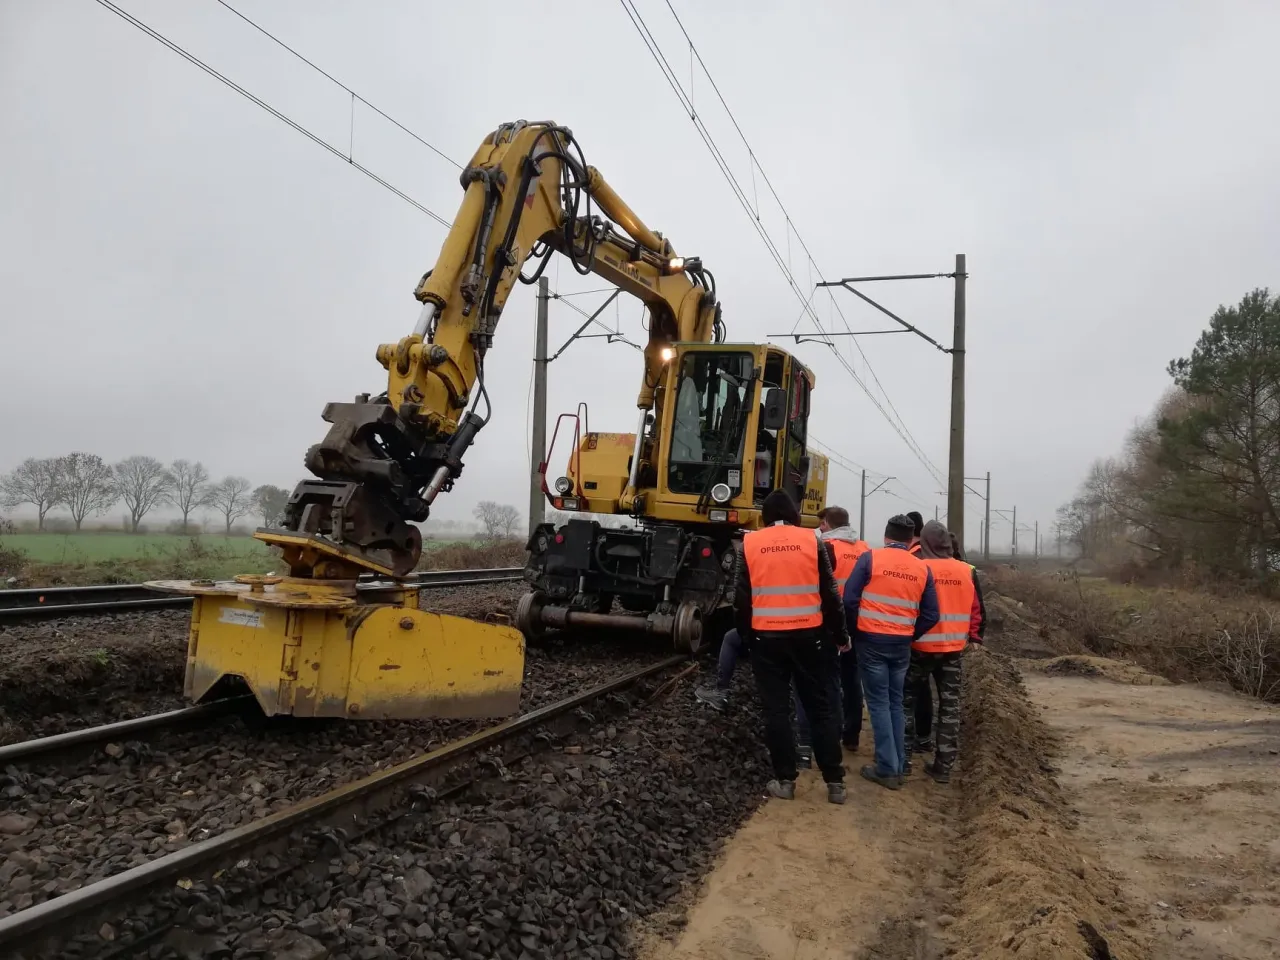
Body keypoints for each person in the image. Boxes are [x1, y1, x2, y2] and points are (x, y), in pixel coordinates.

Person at [736, 489, 850, 803]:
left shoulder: (750, 543)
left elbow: (741, 601)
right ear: (795, 514)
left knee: (776, 711)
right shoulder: (813, 541)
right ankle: (835, 783)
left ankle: (785, 781)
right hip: (810, 639)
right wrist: (840, 636)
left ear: (765, 516)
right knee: (820, 708)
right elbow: (831, 595)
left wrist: (746, 640)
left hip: (766, 641)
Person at [843, 514, 938, 790]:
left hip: (871, 641)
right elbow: (932, 613)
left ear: (886, 537)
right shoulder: (922, 568)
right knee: (895, 702)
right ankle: (896, 764)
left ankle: (887, 768)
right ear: (911, 541)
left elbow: (849, 599)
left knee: (879, 704)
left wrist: (854, 631)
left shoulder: (870, 559)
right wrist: (911, 633)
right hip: (901, 645)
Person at [904, 520, 985, 783]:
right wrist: (974, 637)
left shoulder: (918, 567)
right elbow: (978, 610)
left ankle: (903, 761)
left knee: (906, 702)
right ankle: (943, 768)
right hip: (953, 649)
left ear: (924, 542)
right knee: (950, 707)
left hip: (920, 647)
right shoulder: (967, 570)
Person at [797, 506, 869, 759]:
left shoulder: (824, 548)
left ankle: (816, 737)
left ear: (828, 524)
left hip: (828, 621)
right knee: (852, 678)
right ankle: (851, 735)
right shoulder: (864, 549)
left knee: (822, 679)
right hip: (858, 621)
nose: (820, 529)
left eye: (822, 525)